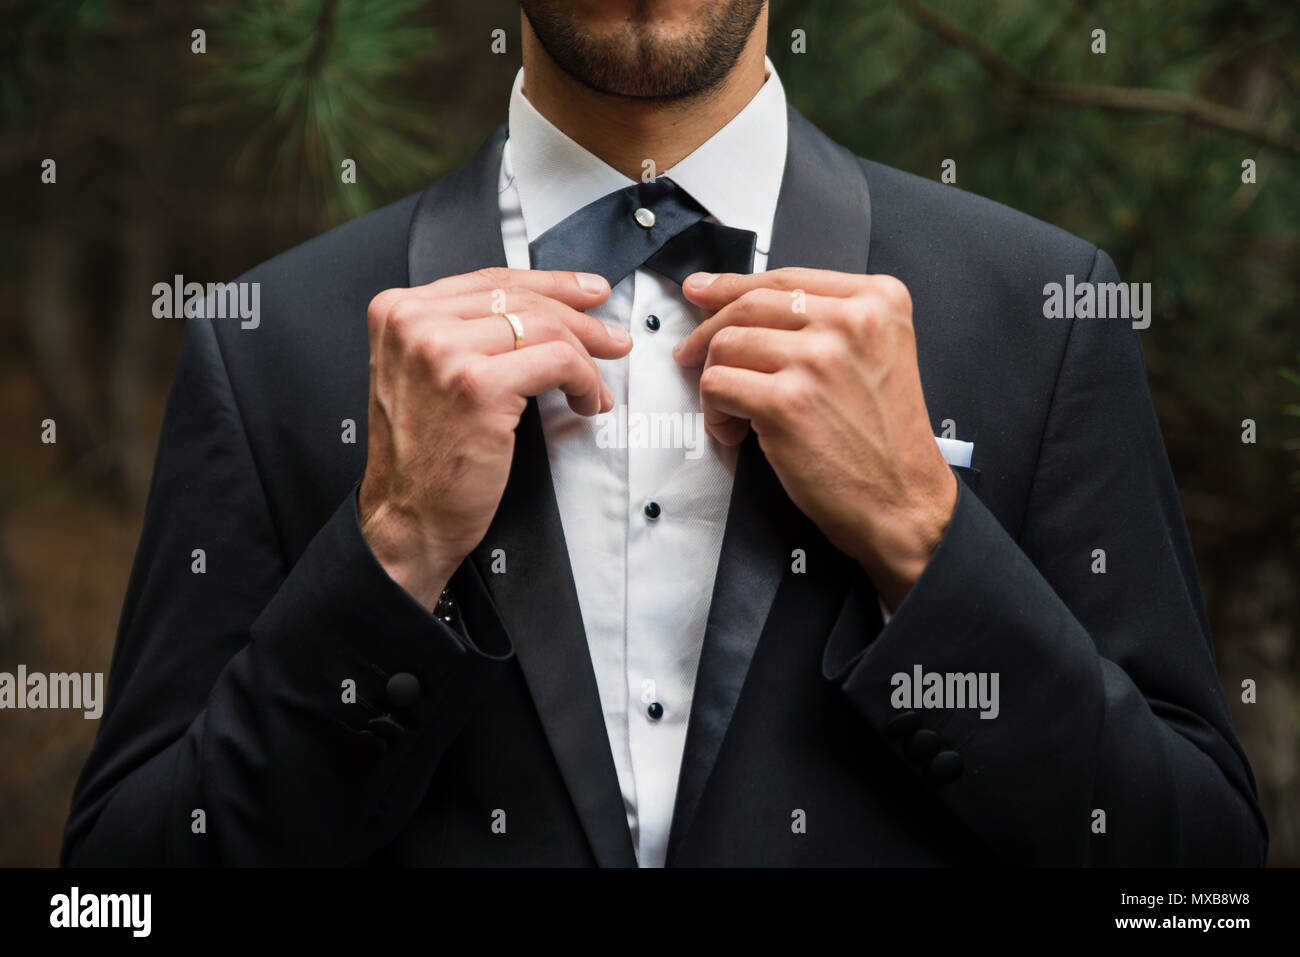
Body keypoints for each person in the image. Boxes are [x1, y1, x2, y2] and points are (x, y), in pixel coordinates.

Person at [63, 0, 1266, 866]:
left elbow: (1196, 870)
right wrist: (389, 553)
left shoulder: (1041, 308)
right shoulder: (268, 338)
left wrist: (921, 532)